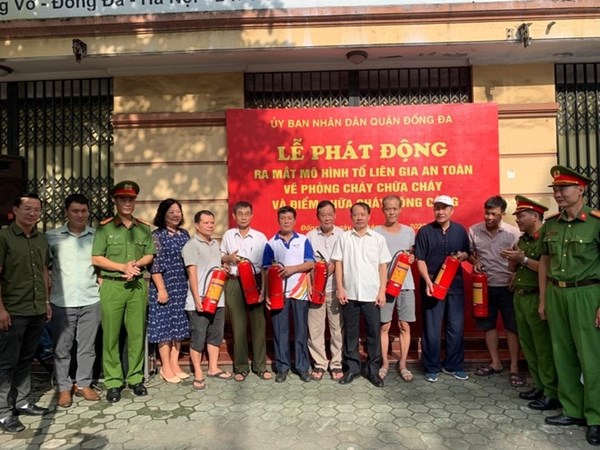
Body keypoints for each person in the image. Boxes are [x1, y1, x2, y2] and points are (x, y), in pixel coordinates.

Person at [538, 165, 600, 446]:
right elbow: (544, 263)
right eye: (555, 189)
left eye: (563, 188)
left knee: (592, 357)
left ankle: (595, 417)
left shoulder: (595, 222)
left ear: (581, 189)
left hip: (587, 294)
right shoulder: (551, 224)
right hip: (556, 293)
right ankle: (572, 410)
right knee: (562, 353)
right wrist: (543, 299)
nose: (558, 194)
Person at [91, 181, 156, 403]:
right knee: (111, 335)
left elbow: (149, 254)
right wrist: (122, 267)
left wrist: (136, 265)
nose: (127, 203)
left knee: (137, 334)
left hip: (136, 286)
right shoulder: (105, 228)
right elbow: (96, 257)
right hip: (113, 286)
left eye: (130, 199)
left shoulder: (143, 228)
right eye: (122, 199)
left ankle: (136, 378)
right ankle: (113, 382)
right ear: (115, 201)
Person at [500, 195, 559, 411]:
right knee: (529, 345)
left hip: (537, 296)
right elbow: (513, 268)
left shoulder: (545, 237)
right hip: (520, 296)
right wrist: (512, 260)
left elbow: (547, 268)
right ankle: (540, 386)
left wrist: (522, 259)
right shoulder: (523, 240)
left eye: (521, 215)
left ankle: (551, 392)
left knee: (543, 347)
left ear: (535, 216)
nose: (517, 220)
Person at [0, 193, 51, 433]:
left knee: (26, 359)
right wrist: (1, 309)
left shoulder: (41, 238)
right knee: (6, 363)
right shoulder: (4, 237)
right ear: (15, 210)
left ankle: (22, 402)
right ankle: (3, 412)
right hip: (13, 310)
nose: (32, 213)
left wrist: (46, 302)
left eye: (37, 209)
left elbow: (43, 270)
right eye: (27, 208)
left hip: (36, 308)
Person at [47, 194, 101, 408]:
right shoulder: (52, 237)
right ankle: (63, 387)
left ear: (88, 212)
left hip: (91, 299)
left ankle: (84, 384)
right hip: (62, 301)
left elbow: (100, 265)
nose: (80, 215)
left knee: (87, 347)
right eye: (75, 211)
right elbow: (44, 269)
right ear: (66, 212)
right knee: (62, 348)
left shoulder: (96, 236)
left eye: (83, 211)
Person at [332, 202, 391, 388]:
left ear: (369, 216)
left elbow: (383, 266)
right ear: (351, 217)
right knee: (351, 332)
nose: (359, 217)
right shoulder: (344, 238)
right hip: (349, 294)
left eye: (362, 214)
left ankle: (373, 370)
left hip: (372, 295)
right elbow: (338, 263)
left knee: (373, 333)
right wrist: (340, 288)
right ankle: (352, 368)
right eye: (355, 214)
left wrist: (382, 291)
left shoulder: (378, 239)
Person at [415, 194, 470, 383]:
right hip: (432, 285)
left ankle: (454, 365)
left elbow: (468, 253)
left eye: (444, 208)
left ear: (451, 211)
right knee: (432, 328)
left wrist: (463, 256)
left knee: (455, 326)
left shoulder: (460, 231)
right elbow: (420, 259)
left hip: (455, 285)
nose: (440, 212)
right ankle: (431, 367)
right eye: (437, 208)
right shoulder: (425, 231)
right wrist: (427, 281)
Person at [469, 196, 523, 387]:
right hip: (484, 287)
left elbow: (522, 257)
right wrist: (475, 261)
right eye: (487, 213)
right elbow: (469, 254)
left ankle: (514, 367)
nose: (489, 217)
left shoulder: (513, 233)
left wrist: (516, 274)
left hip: (508, 286)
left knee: (512, 327)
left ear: (503, 214)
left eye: (494, 214)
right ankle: (495, 363)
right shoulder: (474, 231)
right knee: (488, 325)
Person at [262, 206, 314, 383]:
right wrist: (266, 294)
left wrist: (294, 269)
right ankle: (282, 368)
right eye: (283, 218)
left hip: (300, 292)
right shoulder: (271, 243)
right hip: (278, 295)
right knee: (280, 332)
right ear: (278, 220)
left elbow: (310, 264)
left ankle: (302, 367)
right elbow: (266, 271)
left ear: (295, 220)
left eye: (289, 218)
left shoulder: (303, 240)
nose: (286, 221)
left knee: (301, 332)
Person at [220, 201, 271, 382]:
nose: (243, 217)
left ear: (252, 215)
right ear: (234, 216)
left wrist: (264, 289)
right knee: (238, 326)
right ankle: (241, 367)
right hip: (234, 281)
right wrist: (228, 258)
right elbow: (221, 257)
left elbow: (265, 266)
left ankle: (260, 366)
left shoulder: (260, 237)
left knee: (258, 325)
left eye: (246, 213)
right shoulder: (228, 235)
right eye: (240, 213)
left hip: (255, 281)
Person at [182, 210, 232, 391]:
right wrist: (197, 298)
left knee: (215, 335)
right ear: (197, 225)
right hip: (200, 300)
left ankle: (213, 368)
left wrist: (223, 268)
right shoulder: (191, 245)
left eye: (212, 222)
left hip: (217, 299)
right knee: (198, 337)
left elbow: (213, 267)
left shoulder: (215, 244)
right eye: (206, 223)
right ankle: (198, 373)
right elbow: (192, 273)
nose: (210, 226)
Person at [374, 195, 416, 382]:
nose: (391, 212)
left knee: (404, 325)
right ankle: (384, 363)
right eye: (388, 208)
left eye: (395, 208)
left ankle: (403, 364)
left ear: (400, 209)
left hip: (406, 285)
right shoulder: (376, 232)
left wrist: (413, 257)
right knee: (384, 326)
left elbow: (413, 254)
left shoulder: (409, 232)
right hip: (384, 286)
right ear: (383, 210)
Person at [148, 199, 190, 384]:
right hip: (163, 286)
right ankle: (165, 367)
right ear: (163, 214)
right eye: (171, 211)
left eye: (178, 211)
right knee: (164, 327)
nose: (175, 215)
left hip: (181, 286)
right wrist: (161, 289)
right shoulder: (157, 235)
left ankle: (175, 363)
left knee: (179, 325)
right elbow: (154, 265)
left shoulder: (184, 234)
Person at [306, 200, 344, 381]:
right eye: (323, 215)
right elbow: (307, 264)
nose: (327, 218)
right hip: (316, 291)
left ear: (335, 215)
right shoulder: (310, 236)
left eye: (330, 214)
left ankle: (336, 363)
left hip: (336, 290)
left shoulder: (342, 235)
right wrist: (309, 286)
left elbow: (344, 262)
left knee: (337, 329)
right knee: (315, 330)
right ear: (318, 217)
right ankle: (320, 363)